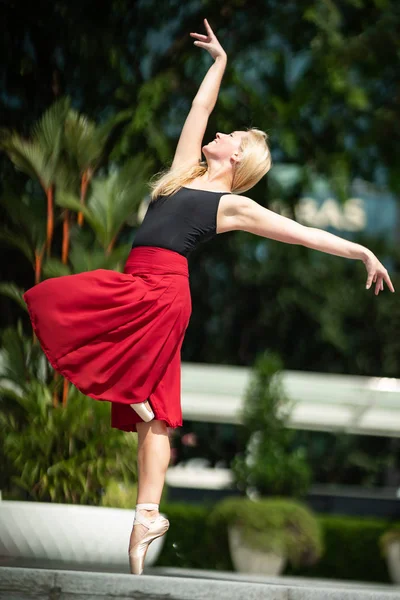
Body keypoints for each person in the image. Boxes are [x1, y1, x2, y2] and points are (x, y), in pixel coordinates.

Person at [23, 19, 395, 575]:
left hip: (161, 296)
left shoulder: (233, 207)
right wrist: (219, 64)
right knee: (69, 319)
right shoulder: (179, 175)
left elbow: (302, 232)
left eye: (234, 138)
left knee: (139, 394)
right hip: (137, 285)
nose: (222, 134)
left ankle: (146, 489)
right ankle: (148, 514)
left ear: (238, 160)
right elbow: (197, 111)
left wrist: (360, 251)